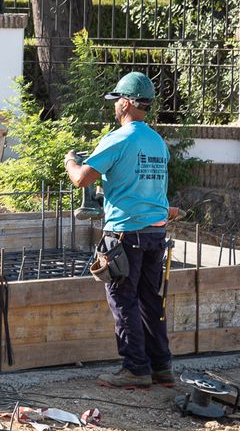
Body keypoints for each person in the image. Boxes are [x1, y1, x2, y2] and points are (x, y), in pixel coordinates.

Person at [64, 71, 181, 390]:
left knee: (122, 299)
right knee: (149, 300)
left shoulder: (119, 139)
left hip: (125, 234)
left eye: (117, 101)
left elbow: (82, 179)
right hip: (155, 233)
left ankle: (135, 369)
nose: (115, 106)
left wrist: (70, 162)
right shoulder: (157, 142)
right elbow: (147, 187)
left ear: (127, 103)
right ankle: (161, 367)